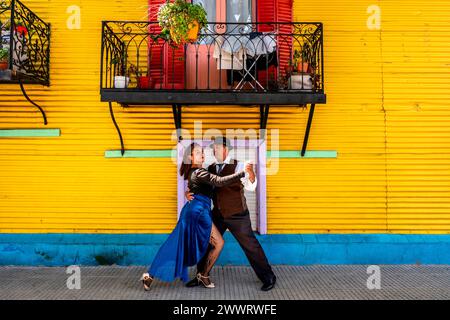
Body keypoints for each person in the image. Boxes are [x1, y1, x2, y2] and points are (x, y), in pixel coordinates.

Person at [140, 142, 252, 290]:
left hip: (196, 211)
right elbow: (219, 182)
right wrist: (243, 172)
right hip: (198, 213)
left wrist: (188, 193)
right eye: (198, 152)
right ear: (190, 156)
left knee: (177, 245)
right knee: (215, 243)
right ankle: (202, 275)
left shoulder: (198, 171)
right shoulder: (199, 172)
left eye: (202, 152)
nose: (202, 154)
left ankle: (150, 275)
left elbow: (197, 189)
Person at [185, 136, 277, 291]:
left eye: (218, 148)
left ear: (226, 149)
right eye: (213, 148)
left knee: (250, 246)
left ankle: (268, 277)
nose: (215, 151)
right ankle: (201, 275)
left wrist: (252, 174)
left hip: (237, 215)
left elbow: (250, 186)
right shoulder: (211, 168)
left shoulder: (239, 165)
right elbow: (201, 187)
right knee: (207, 243)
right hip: (218, 214)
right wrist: (188, 193)